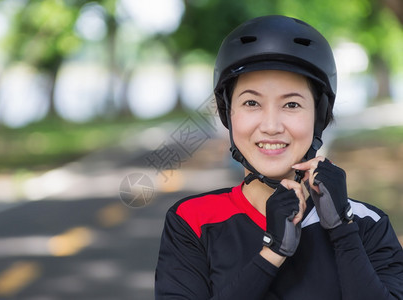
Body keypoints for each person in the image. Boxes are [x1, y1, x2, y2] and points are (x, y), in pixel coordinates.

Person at [154, 15, 403, 299]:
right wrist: (272, 253)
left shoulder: (367, 223)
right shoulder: (192, 220)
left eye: (292, 104)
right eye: (251, 103)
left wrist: (342, 230)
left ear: (318, 118)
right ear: (228, 114)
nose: (271, 126)